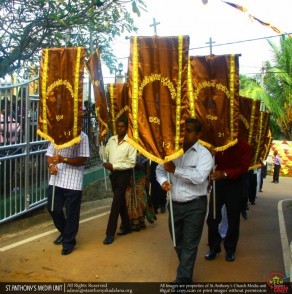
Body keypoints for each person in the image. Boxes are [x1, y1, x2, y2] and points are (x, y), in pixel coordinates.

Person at [156, 118, 213, 283]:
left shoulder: (204, 154)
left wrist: (175, 170)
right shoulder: (172, 150)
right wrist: (163, 181)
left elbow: (200, 177)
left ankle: (182, 281)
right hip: (174, 205)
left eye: (188, 131)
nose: (184, 134)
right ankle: (185, 273)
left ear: (198, 133)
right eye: (183, 130)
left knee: (189, 245)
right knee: (177, 242)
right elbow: (159, 170)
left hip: (195, 205)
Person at [205, 139, 251, 262]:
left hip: (235, 184)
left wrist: (225, 173)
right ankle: (213, 248)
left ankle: (230, 250)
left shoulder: (243, 145)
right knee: (212, 216)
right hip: (218, 183)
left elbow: (244, 167)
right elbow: (213, 163)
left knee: (233, 218)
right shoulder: (219, 143)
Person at [46, 131, 90, 255]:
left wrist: (63, 159)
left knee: (72, 213)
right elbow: (49, 154)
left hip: (73, 180)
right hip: (56, 178)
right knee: (53, 208)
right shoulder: (57, 133)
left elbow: (83, 159)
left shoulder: (82, 136)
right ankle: (66, 233)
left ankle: (69, 242)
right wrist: (50, 165)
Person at [102, 117, 137, 245]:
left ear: (126, 127)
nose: (119, 128)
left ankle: (109, 233)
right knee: (120, 200)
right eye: (118, 126)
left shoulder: (131, 142)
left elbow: (131, 162)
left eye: (122, 126)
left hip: (124, 174)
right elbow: (106, 154)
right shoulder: (111, 140)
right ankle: (127, 226)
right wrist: (102, 147)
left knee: (116, 202)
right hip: (113, 174)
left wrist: (114, 166)